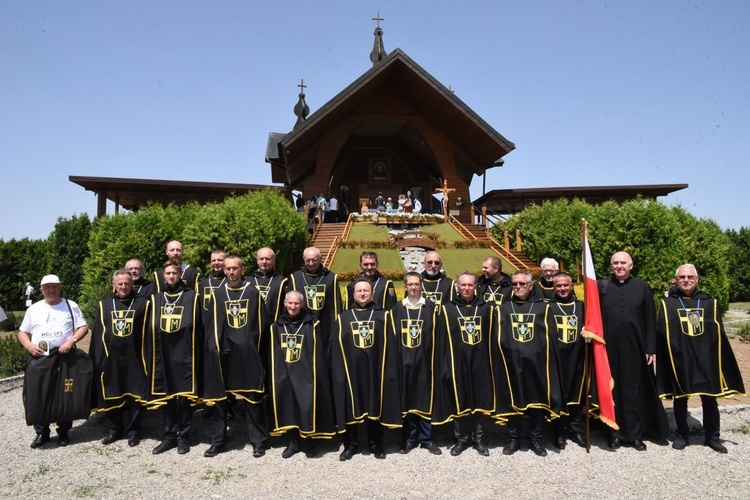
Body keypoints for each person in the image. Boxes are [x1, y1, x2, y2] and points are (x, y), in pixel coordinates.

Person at [657, 264, 745, 453]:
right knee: (681, 398)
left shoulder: (709, 303)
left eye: (690, 277)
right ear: (676, 279)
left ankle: (712, 437)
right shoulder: (668, 304)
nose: (686, 280)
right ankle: (682, 436)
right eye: (682, 277)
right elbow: (662, 334)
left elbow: (718, 334)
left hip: (706, 358)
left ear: (697, 279)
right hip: (681, 358)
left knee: (710, 399)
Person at [599, 251, 668, 451]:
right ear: (611, 265)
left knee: (637, 390)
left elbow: (649, 320)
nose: (619, 266)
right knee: (614, 390)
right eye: (616, 263)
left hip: (637, 348)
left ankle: (636, 434)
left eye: (623, 263)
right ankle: (615, 433)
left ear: (631, 265)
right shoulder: (602, 287)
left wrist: (650, 348)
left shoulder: (642, 287)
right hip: (609, 349)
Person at [201, 255, 270, 458]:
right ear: (223, 270)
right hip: (225, 354)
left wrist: (254, 348)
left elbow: (262, 325)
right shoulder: (218, 294)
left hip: (248, 354)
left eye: (235, 268)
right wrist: (214, 349)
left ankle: (259, 441)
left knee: (252, 399)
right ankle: (218, 441)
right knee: (220, 401)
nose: (231, 272)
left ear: (242, 269)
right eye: (228, 268)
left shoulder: (252, 292)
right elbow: (211, 325)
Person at [494, 269, 564, 457]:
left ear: (530, 286)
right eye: (515, 284)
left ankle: (536, 439)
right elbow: (499, 337)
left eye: (521, 284)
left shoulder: (543, 307)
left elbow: (551, 338)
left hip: (537, 365)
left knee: (536, 403)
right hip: (512, 364)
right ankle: (513, 438)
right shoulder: (505, 308)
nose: (517, 287)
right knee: (513, 402)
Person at [332, 279, 401, 461]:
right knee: (350, 405)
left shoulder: (383, 316)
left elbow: (390, 347)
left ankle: (375, 443)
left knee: (375, 404)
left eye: (366, 290)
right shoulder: (343, 317)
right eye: (359, 291)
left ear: (372, 293)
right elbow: (337, 347)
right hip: (351, 372)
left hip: (375, 370)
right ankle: (350, 444)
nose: (362, 293)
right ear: (353, 294)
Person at [18, 274, 89, 448]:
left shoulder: (70, 305)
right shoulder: (33, 309)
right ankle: (41, 433)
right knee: (38, 393)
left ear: (60, 287)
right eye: (47, 287)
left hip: (64, 356)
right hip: (40, 355)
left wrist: (70, 341)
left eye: (54, 286)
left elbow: (83, 327)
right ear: (41, 290)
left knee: (65, 394)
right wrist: (28, 345)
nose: (51, 290)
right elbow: (22, 332)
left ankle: (64, 432)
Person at [269, 291, 338, 458]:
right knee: (289, 407)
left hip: (306, 373)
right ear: (285, 303)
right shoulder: (277, 326)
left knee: (307, 407)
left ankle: (309, 442)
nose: (293, 306)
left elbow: (317, 351)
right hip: (285, 372)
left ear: (302, 304)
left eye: (296, 303)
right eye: (290, 303)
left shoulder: (311, 324)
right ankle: (293, 442)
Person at [435, 271, 496, 457]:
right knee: (459, 400)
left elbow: (492, 338)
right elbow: (441, 340)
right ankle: (461, 439)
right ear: (457, 287)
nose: (467, 288)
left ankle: (478, 438)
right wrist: (445, 365)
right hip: (457, 362)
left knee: (479, 401)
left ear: (475, 286)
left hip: (480, 363)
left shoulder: (486, 309)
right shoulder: (447, 310)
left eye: (470, 285)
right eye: (463, 285)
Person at [146, 260, 203, 455]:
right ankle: (169, 436)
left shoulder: (192, 297)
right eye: (168, 273)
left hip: (186, 354)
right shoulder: (156, 298)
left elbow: (199, 326)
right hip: (164, 354)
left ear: (180, 275)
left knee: (184, 398)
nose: (171, 276)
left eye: (174, 273)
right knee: (168, 398)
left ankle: (184, 437)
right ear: (163, 276)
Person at [90, 269, 149, 447]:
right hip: (111, 359)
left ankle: (134, 431)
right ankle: (114, 430)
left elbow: (147, 333)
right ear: (113, 285)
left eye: (127, 283)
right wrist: (99, 359)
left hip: (135, 358)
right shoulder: (105, 304)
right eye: (120, 283)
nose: (123, 287)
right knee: (112, 395)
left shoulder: (143, 303)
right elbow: (98, 334)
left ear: (132, 284)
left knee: (135, 397)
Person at [389, 272, 441, 455]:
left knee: (425, 399)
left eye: (416, 284)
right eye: (410, 284)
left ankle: (426, 439)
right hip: (404, 362)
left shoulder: (431, 308)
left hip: (425, 362)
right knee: (408, 400)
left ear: (421, 286)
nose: (413, 287)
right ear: (405, 286)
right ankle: (409, 439)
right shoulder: (396, 310)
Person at [547, 272, 587, 449]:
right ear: (553, 288)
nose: (562, 289)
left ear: (571, 286)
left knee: (577, 393)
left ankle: (576, 429)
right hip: (556, 358)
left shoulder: (582, 307)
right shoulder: (547, 307)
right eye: (558, 286)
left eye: (565, 285)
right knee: (557, 394)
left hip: (577, 357)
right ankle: (558, 431)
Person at [287, 247, 342, 357]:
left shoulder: (331, 278)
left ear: (320, 259)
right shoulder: (295, 278)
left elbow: (336, 306)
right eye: (307, 260)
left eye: (314, 260)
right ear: (303, 259)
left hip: (324, 326)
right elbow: (289, 305)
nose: (311, 263)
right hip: (302, 325)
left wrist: (336, 328)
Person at [248, 247, 288, 322]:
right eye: (261, 259)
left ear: (273, 260)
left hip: (274, 325)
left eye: (267, 259)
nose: (264, 261)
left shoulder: (282, 281)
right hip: (253, 325)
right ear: (257, 260)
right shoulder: (248, 281)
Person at [198, 249, 226, 313]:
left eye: (220, 260)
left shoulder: (230, 282)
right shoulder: (202, 284)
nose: (216, 263)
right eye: (213, 260)